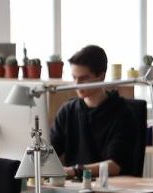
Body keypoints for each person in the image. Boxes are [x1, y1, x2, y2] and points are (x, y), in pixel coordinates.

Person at [50, 45, 138, 179]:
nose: (77, 84)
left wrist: (74, 171)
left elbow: (115, 165)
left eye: (84, 78)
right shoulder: (67, 111)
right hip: (73, 187)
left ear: (101, 76)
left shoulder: (123, 113)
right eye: (74, 77)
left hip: (111, 188)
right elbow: (50, 152)